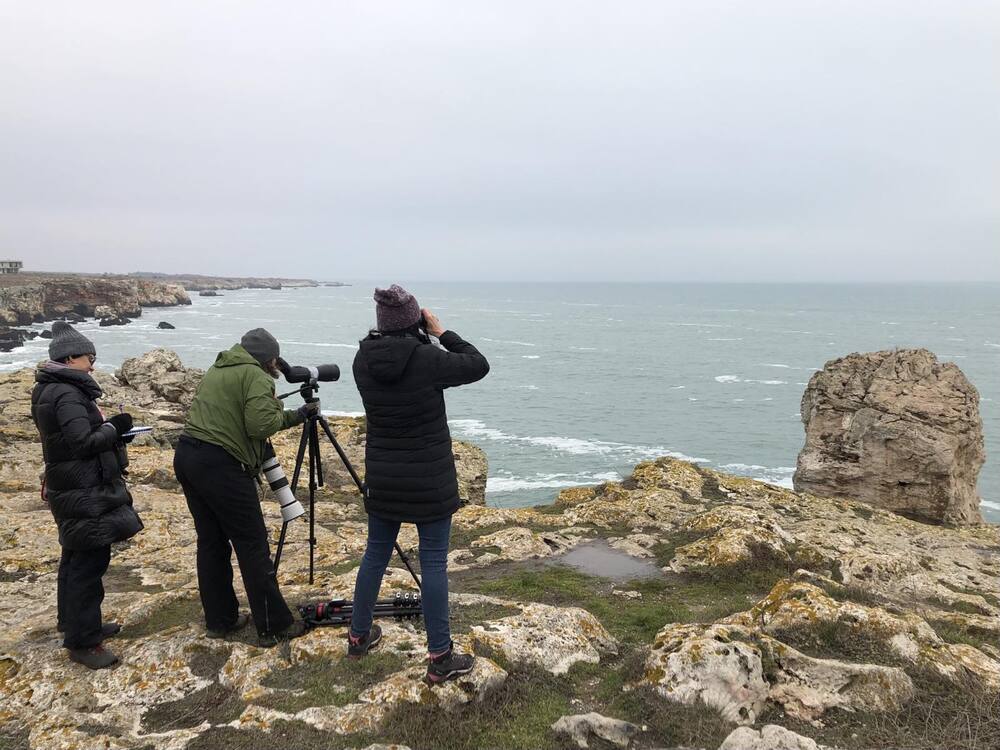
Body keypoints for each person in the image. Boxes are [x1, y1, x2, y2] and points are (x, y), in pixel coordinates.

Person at [349, 285, 489, 683]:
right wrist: (442, 333)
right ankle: (439, 657)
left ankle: (358, 637)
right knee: (433, 564)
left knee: (374, 555)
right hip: (429, 480)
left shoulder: (362, 360)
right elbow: (477, 364)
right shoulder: (428, 359)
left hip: (384, 478)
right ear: (415, 322)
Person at [173, 328, 316, 646]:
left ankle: (220, 620)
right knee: (251, 543)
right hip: (220, 465)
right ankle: (274, 626)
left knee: (211, 543)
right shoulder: (257, 377)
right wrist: (295, 415)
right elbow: (260, 425)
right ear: (270, 360)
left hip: (188, 456)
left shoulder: (220, 367)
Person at [30, 322, 143, 670]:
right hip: (82, 487)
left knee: (74, 557)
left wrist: (112, 434)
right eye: (89, 357)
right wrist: (115, 428)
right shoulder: (65, 393)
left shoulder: (50, 388)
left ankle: (75, 624)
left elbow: (73, 439)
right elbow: (82, 442)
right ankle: (83, 641)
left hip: (72, 484)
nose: (92, 364)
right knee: (89, 564)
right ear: (70, 358)